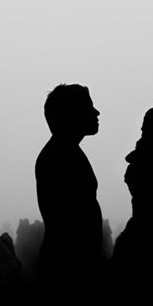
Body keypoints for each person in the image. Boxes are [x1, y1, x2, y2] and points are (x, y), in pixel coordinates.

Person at [35, 84, 103, 290]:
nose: (96, 112)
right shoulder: (58, 157)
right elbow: (68, 226)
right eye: (89, 107)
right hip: (68, 273)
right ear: (72, 114)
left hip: (72, 268)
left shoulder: (65, 152)